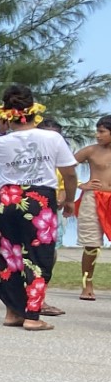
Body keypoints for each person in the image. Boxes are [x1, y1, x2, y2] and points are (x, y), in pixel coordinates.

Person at [0, 86, 78, 331]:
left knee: (9, 256)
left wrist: (0, 131)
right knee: (37, 258)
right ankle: (32, 316)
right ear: (34, 111)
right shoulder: (52, 138)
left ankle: (13, 312)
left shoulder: (3, 141)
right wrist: (69, 200)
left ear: (7, 115)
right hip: (38, 200)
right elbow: (69, 172)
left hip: (7, 199)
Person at [75, 115, 111, 302]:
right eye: (97, 131)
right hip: (93, 198)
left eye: (102, 132)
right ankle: (87, 284)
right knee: (91, 245)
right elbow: (63, 166)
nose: (97, 135)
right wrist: (81, 184)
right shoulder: (91, 151)